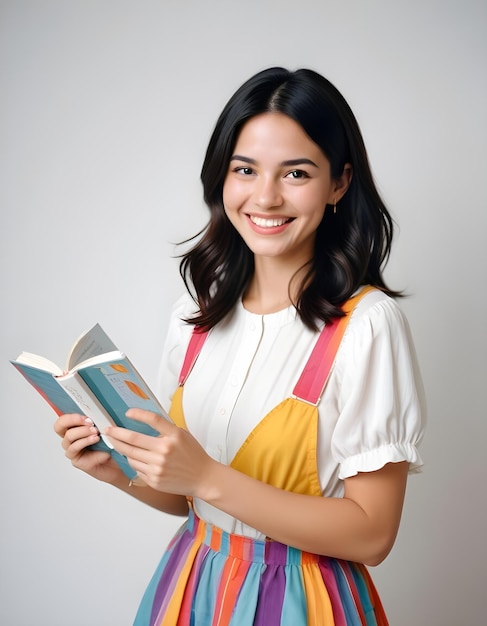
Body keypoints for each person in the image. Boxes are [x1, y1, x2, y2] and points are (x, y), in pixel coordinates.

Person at [55, 67, 426, 625]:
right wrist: (116, 468)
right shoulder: (194, 319)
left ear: (340, 183)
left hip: (305, 600)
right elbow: (192, 500)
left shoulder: (368, 324)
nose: (265, 197)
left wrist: (205, 475)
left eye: (296, 172)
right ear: (221, 178)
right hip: (193, 582)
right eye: (245, 169)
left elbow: (372, 534)